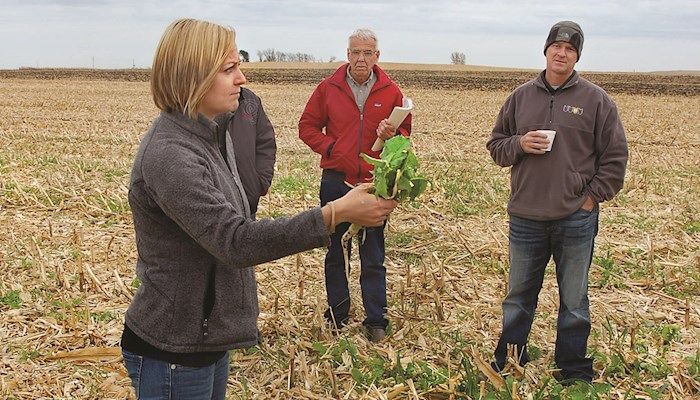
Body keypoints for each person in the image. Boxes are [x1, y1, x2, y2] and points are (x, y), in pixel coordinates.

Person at [121, 18, 397, 399]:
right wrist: (335, 214)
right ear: (193, 76)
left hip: (203, 338)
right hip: (174, 349)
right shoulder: (171, 154)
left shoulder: (209, 135)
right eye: (229, 68)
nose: (242, 78)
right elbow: (236, 241)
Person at [486, 20, 628, 384]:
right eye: (556, 46)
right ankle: (512, 357)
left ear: (577, 55)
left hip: (575, 218)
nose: (561, 53)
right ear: (546, 50)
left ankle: (572, 367)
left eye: (570, 49)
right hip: (526, 216)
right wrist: (520, 144)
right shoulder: (520, 97)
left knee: (575, 301)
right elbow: (496, 148)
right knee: (518, 296)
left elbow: (615, 158)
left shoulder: (596, 100)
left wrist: (591, 198)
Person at [299, 28, 411, 343]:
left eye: (367, 53)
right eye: (355, 52)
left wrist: (393, 136)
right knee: (336, 250)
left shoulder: (392, 92)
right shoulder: (328, 88)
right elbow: (306, 126)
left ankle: (376, 320)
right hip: (336, 181)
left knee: (373, 253)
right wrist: (332, 149)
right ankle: (337, 314)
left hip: (374, 183)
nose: (361, 58)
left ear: (377, 56)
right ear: (347, 54)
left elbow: (406, 136)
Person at [215, 87, 276, 217]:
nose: (242, 78)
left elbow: (265, 143)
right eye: (228, 69)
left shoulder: (249, 100)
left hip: (247, 205)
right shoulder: (200, 104)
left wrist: (260, 182)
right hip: (211, 213)